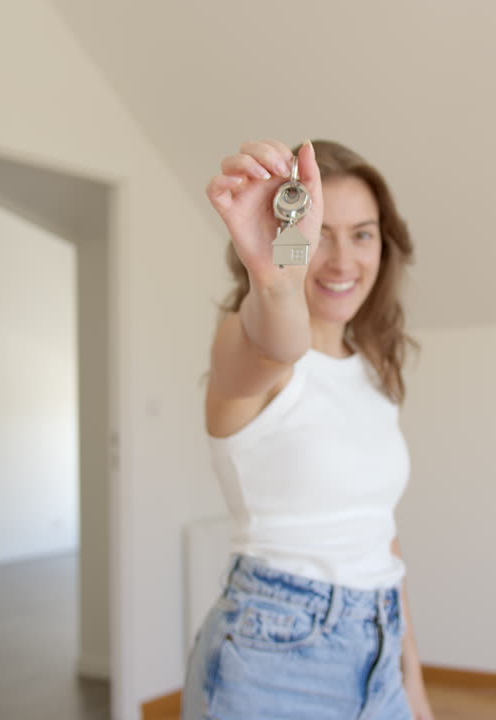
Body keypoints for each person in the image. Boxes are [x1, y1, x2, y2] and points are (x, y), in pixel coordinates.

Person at [182, 139, 434, 720]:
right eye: (320, 231)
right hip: (271, 658)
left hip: (378, 648)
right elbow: (279, 338)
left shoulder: (372, 367)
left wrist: (412, 681)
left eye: (362, 233)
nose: (343, 260)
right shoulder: (246, 346)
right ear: (290, 229)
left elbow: (378, 536)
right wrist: (274, 281)